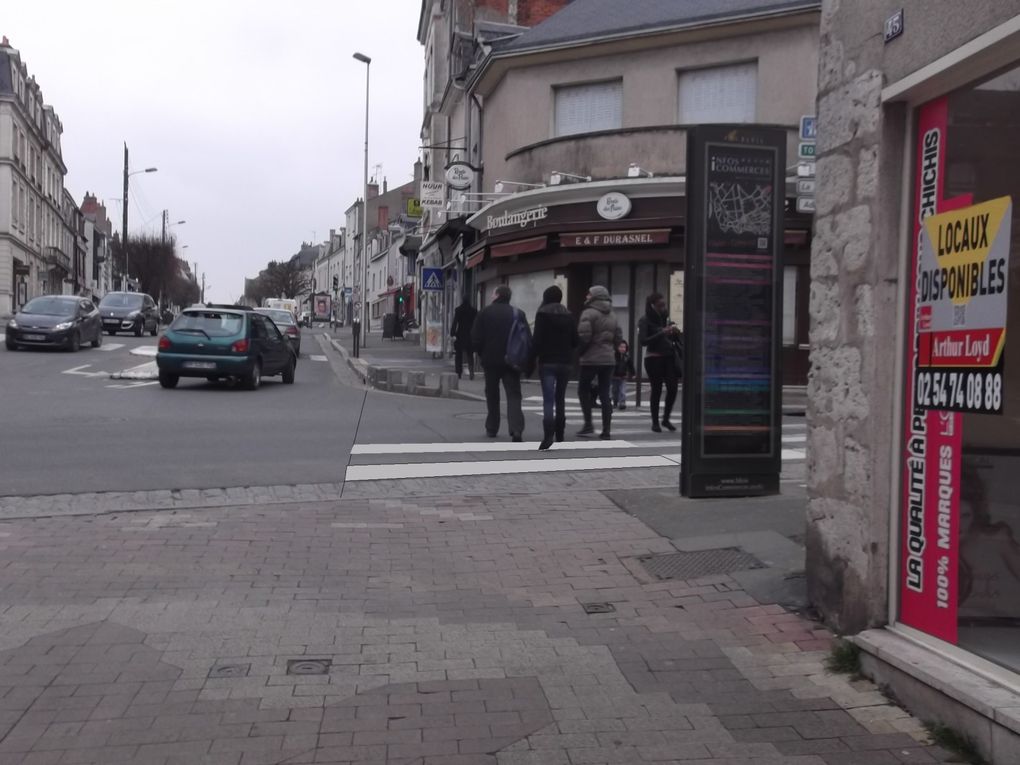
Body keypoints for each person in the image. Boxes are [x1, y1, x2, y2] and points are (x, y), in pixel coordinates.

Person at [471, 285, 529, 442]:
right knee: (514, 395)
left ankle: (492, 427)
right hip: (512, 361)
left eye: (493, 294)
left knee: (492, 394)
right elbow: (526, 339)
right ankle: (516, 429)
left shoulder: (485, 312)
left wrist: (480, 353)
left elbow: (476, 338)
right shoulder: (518, 313)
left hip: (490, 361)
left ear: (497, 295)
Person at [531, 285, 578, 450]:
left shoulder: (542, 314)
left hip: (547, 362)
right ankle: (560, 433)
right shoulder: (569, 316)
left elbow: (536, 340)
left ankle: (548, 434)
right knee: (560, 398)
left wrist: (531, 359)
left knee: (548, 400)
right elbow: (575, 341)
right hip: (565, 362)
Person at [576, 285, 621, 439]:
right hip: (608, 359)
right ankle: (606, 430)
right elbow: (618, 338)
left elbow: (584, 337)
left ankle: (588, 424)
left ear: (595, 296)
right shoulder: (613, 315)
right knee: (604, 393)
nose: (587, 296)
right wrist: (611, 350)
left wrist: (578, 353)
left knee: (583, 390)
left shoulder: (588, 313)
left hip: (590, 359)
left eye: (589, 294)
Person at [638, 292, 681, 432]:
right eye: (660, 305)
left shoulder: (665, 318)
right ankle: (655, 422)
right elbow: (643, 341)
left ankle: (666, 418)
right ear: (652, 305)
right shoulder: (645, 320)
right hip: (653, 358)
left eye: (664, 304)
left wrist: (674, 332)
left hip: (669, 357)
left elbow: (673, 339)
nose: (663, 307)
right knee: (656, 389)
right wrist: (662, 332)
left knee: (673, 388)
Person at [450, 295, 478, 380]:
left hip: (460, 335)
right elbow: (476, 323)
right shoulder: (474, 311)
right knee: (470, 354)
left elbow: (455, 322)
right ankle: (471, 372)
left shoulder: (459, 310)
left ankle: (458, 373)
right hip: (470, 335)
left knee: (459, 355)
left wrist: (453, 333)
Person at [611, 340, 636, 410]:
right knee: (614, 390)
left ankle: (622, 402)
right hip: (614, 376)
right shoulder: (614, 356)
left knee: (622, 390)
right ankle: (615, 401)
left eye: (624, 347)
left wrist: (633, 373)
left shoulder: (627, 357)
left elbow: (631, 366)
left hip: (623, 377)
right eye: (621, 347)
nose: (622, 349)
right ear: (617, 348)